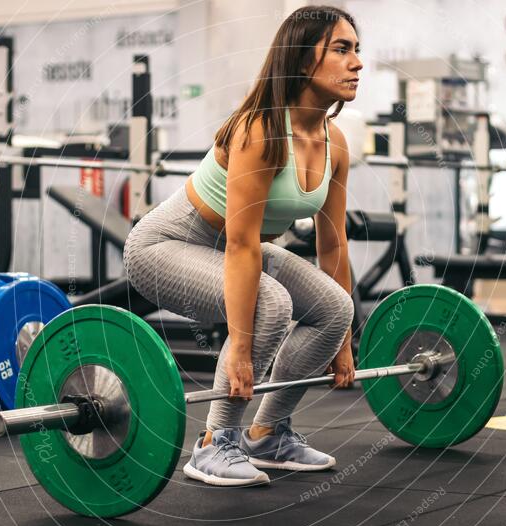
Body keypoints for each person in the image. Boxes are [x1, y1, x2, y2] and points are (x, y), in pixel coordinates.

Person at [123, 5, 362, 487]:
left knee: (337, 309)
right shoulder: (259, 129)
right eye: (341, 49)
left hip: (238, 245)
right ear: (300, 59)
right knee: (269, 302)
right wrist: (239, 349)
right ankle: (215, 442)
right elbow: (240, 246)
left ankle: (268, 432)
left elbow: (332, 244)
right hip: (165, 244)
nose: (357, 62)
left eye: (357, 50)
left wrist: (343, 344)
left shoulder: (334, 142)